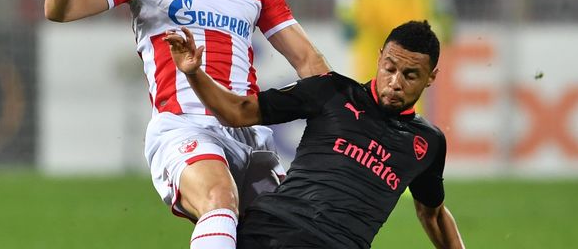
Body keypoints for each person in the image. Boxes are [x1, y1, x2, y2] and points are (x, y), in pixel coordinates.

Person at [43, 0, 330, 249]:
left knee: (294, 237)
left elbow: (307, 60)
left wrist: (346, 116)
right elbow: (62, 9)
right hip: (184, 127)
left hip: (250, 135)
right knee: (218, 198)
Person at [165, 20, 465, 249]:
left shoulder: (427, 144)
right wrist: (193, 73)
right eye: (389, 68)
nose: (395, 82)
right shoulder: (331, 91)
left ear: (431, 78)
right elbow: (238, 111)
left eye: (410, 75)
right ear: (379, 58)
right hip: (270, 232)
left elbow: (434, 215)